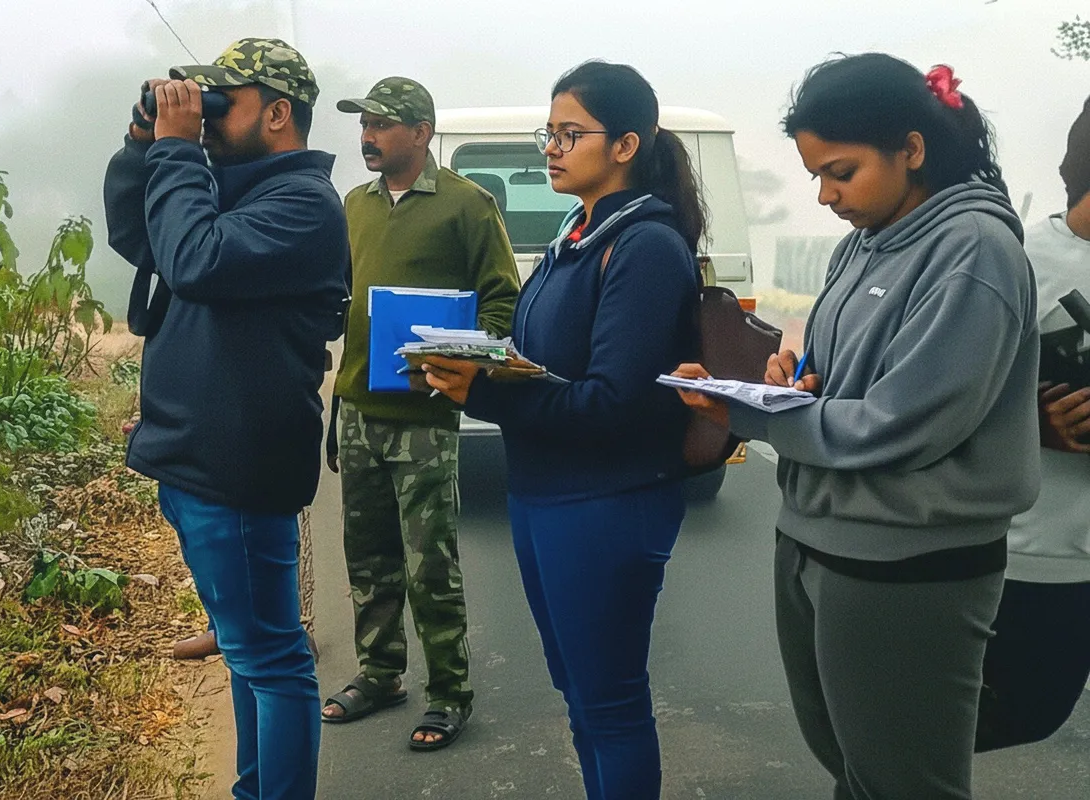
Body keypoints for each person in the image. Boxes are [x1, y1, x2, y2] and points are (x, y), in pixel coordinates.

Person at [675, 54, 1039, 799]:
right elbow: (838, 382)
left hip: (904, 560)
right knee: (854, 766)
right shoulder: (861, 244)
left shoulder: (973, 251)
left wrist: (755, 415)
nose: (826, 195)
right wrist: (788, 379)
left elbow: (905, 423)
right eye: (816, 175)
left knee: (905, 781)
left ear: (911, 149)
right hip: (815, 536)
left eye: (840, 171)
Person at [423, 61, 706, 797]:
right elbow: (543, 364)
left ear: (626, 145)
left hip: (607, 501)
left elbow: (613, 402)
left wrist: (484, 390)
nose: (551, 147)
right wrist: (481, 365)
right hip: (545, 494)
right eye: (548, 132)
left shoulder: (643, 245)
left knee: (609, 703)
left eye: (570, 133)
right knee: (580, 695)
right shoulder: (576, 233)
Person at [102, 37, 348, 800]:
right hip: (199, 456)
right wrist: (143, 145)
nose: (202, 120)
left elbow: (196, 261)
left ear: (278, 114)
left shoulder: (303, 205)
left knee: (272, 659)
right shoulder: (236, 188)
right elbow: (140, 237)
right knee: (250, 652)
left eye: (220, 104)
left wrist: (178, 151)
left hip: (236, 466)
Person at [322, 77, 520, 751]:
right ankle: (380, 676)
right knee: (369, 560)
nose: (367, 136)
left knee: (429, 564)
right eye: (364, 123)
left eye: (382, 124)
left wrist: (466, 364)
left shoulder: (468, 205)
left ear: (422, 132)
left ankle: (449, 693)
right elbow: (340, 303)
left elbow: (501, 303)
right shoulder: (354, 205)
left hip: (424, 417)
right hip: (357, 412)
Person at [975, 95, 1090, 752]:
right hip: (1032, 556)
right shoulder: (1018, 260)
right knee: (1014, 716)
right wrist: (1030, 420)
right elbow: (942, 401)